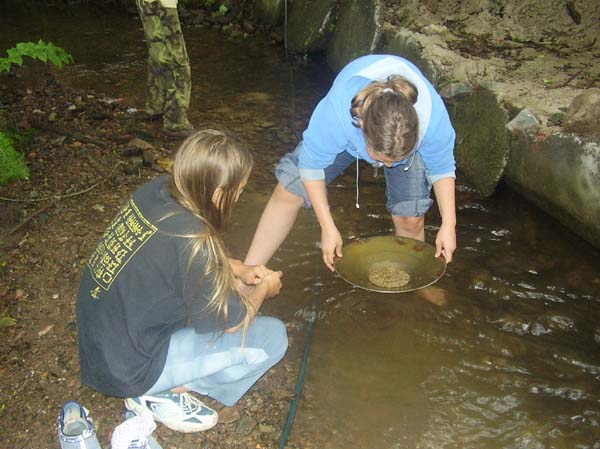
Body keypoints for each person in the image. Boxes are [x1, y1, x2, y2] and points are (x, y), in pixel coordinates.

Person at [76, 130, 287, 433]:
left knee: (213, 297)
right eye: (238, 191)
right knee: (273, 337)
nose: (239, 197)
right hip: (129, 368)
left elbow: (174, 254)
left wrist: (237, 268)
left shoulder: (157, 191)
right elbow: (231, 323)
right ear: (218, 193)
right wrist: (265, 288)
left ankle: (163, 381)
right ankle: (158, 392)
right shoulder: (195, 241)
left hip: (100, 341)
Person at [244, 54, 457, 272]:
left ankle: (414, 282)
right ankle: (249, 271)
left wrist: (449, 225)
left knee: (410, 220)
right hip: (347, 135)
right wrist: (327, 226)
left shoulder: (432, 121)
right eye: (381, 160)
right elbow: (311, 168)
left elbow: (442, 168)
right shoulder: (336, 115)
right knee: (288, 190)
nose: (388, 167)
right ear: (361, 124)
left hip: (396, 138)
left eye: (395, 161)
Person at [135, 0, 196, 138]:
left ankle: (156, 107)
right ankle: (176, 122)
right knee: (177, 64)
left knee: (159, 54)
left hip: (149, 3)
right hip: (162, 4)